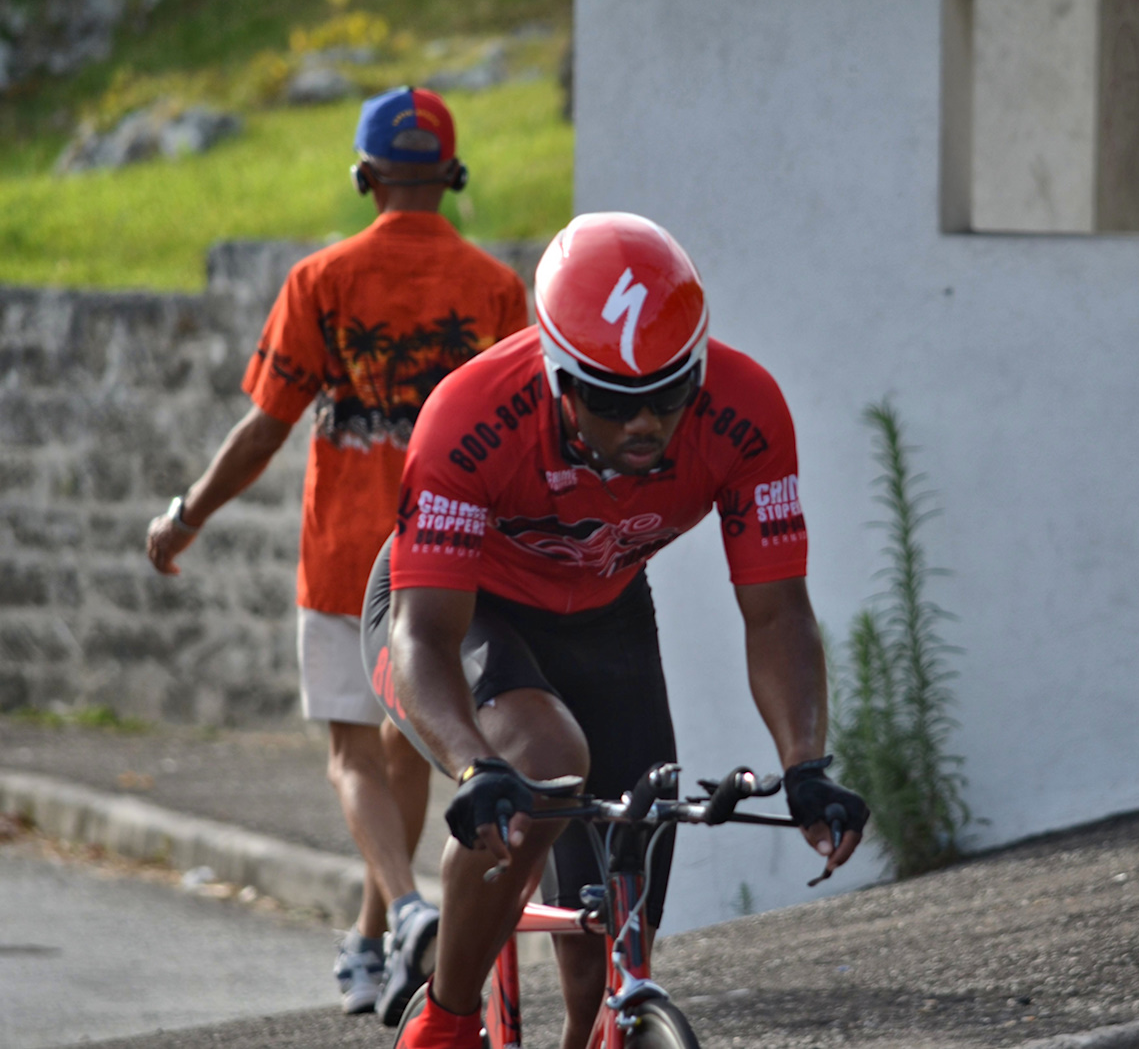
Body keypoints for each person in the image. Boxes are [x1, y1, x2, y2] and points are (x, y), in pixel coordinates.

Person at [359, 211, 870, 1049]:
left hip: (604, 611)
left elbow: (777, 611)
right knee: (543, 766)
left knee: (622, 895)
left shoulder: (746, 413)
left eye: (670, 397)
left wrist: (806, 763)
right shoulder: (471, 416)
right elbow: (422, 637)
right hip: (453, 610)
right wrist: (472, 765)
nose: (645, 425)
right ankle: (446, 1020)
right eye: (611, 402)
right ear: (558, 376)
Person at [145, 86, 529, 1023]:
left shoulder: (321, 281)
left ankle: (399, 913)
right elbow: (526, 431)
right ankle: (378, 939)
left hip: (342, 552)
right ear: (453, 175)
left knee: (353, 753)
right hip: (451, 555)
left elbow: (264, 427)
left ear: (364, 178)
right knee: (407, 747)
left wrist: (187, 515)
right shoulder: (492, 288)